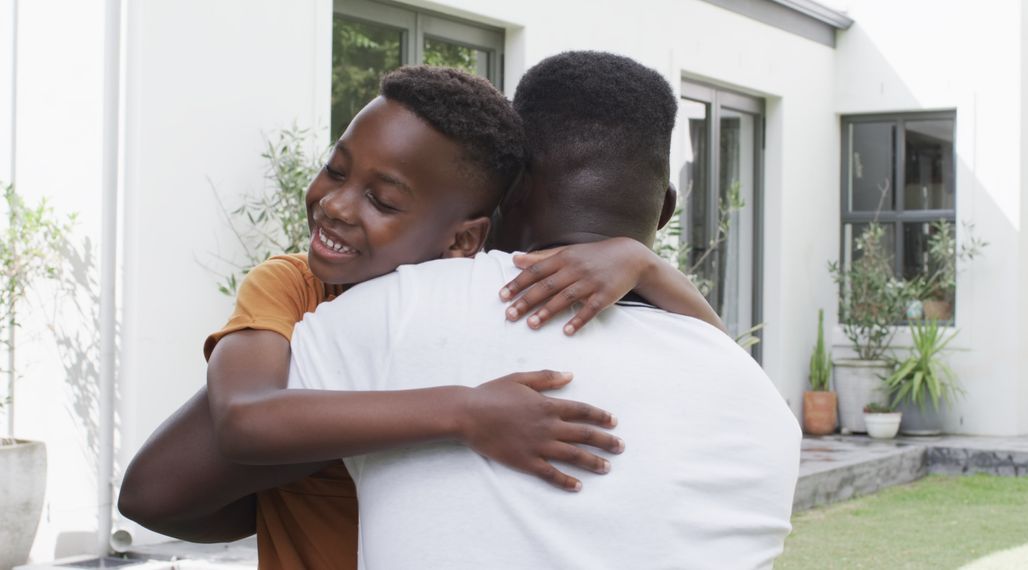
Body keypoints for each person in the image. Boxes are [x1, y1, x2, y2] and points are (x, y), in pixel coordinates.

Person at [119, 65, 722, 568]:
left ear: (464, 239)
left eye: (382, 200)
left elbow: (717, 363)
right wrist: (462, 412)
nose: (333, 203)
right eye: (336, 167)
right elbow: (240, 425)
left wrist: (646, 268)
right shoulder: (293, 287)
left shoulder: (476, 300)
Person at [287, 51, 802, 569]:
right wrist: (651, 269)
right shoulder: (765, 408)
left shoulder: (391, 311)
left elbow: (207, 493)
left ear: (507, 192)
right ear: (666, 211)